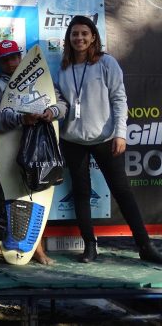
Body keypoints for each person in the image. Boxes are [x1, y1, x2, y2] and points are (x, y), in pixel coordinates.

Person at [58, 15, 162, 264]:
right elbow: (61, 102)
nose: (79, 38)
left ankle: (145, 246)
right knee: (81, 194)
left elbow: (119, 99)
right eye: (74, 34)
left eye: (84, 33)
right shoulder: (63, 68)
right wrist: (52, 110)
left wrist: (120, 134)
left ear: (93, 36)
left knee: (122, 192)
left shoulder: (106, 63)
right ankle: (90, 247)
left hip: (106, 139)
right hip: (72, 140)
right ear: (68, 39)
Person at [0, 40, 66, 265]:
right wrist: (19, 119)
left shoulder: (42, 81)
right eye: (5, 59)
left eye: (15, 57)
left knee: (38, 192)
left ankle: (38, 249)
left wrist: (52, 111)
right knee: (12, 194)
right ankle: (8, 246)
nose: (12, 63)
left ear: (21, 57)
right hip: (8, 147)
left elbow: (62, 105)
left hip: (39, 148)